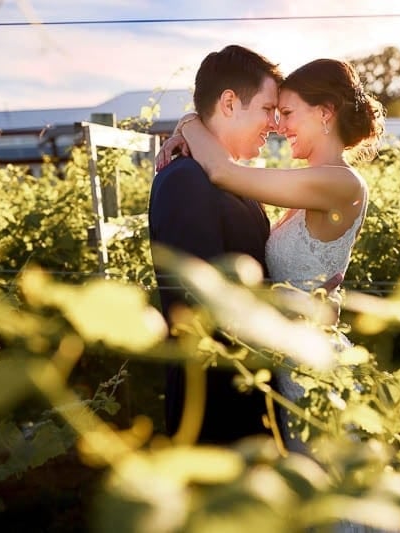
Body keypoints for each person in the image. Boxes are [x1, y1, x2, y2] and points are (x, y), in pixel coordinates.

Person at [158, 58, 385, 453]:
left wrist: (189, 123)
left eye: (287, 113)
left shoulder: (341, 182)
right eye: (273, 112)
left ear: (325, 113)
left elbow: (225, 173)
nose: (278, 125)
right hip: (285, 362)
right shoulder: (304, 184)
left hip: (309, 364)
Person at [147, 44, 283, 445]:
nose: (274, 124)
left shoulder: (234, 178)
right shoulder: (185, 179)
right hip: (214, 407)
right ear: (228, 103)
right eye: (266, 109)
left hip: (250, 393)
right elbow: (200, 307)